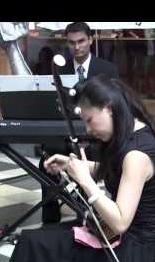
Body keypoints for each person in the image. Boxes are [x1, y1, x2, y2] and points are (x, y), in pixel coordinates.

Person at [2, 74, 155, 262]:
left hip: (133, 253)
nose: (88, 130)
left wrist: (86, 181)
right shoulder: (131, 134)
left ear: (108, 107)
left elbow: (120, 221)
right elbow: (117, 173)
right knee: (33, 240)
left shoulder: (137, 155)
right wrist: (74, 165)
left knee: (36, 247)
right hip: (117, 238)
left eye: (89, 120)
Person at [39, 22, 119, 224]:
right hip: (66, 133)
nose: (77, 47)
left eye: (81, 41)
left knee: (90, 158)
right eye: (72, 42)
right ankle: (50, 219)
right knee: (47, 159)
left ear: (91, 40)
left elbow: (116, 107)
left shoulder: (107, 69)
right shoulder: (58, 67)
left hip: (96, 136)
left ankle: (87, 216)